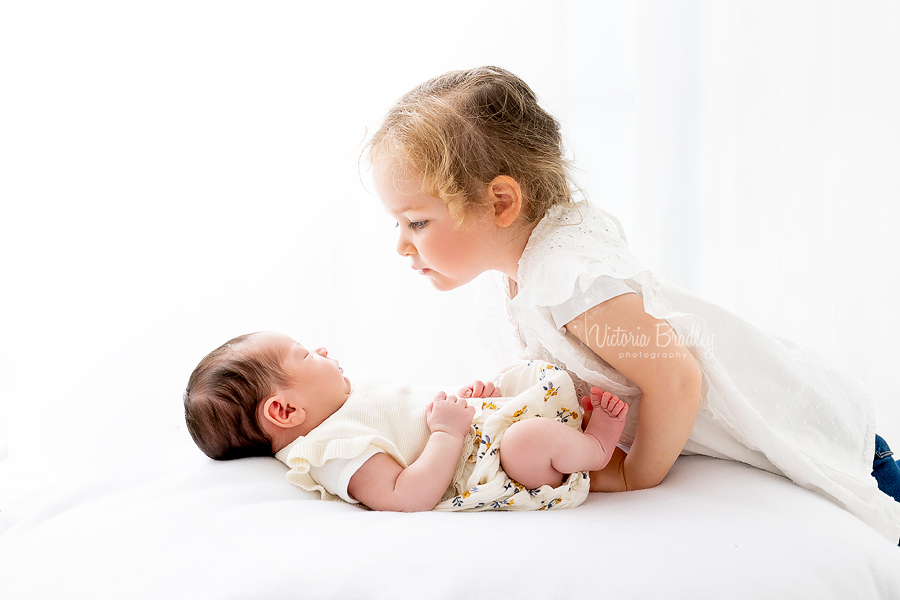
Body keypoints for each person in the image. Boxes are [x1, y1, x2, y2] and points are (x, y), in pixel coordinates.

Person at [365, 65, 900, 541]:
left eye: (417, 222)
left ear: (502, 202)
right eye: (397, 223)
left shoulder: (566, 276)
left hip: (814, 432)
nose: (401, 244)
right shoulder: (526, 269)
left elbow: (676, 379)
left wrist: (636, 474)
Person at [183, 331, 629, 512]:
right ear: (285, 411)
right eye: (303, 354)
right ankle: (595, 449)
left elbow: (413, 418)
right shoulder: (333, 450)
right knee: (528, 442)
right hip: (490, 470)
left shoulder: (347, 401)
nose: (319, 350)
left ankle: (561, 425)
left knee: (515, 374)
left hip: (479, 434)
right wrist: (450, 431)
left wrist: (472, 405)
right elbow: (405, 496)